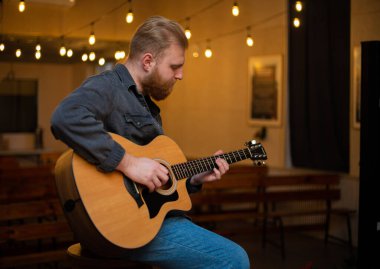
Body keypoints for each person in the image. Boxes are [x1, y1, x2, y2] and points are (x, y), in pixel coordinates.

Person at [51, 15, 250, 269]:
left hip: (147, 222)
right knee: (234, 259)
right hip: (118, 226)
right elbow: (65, 117)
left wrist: (194, 179)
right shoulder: (109, 87)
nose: (180, 75)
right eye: (175, 66)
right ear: (148, 61)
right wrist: (128, 162)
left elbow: (153, 188)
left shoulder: (147, 105)